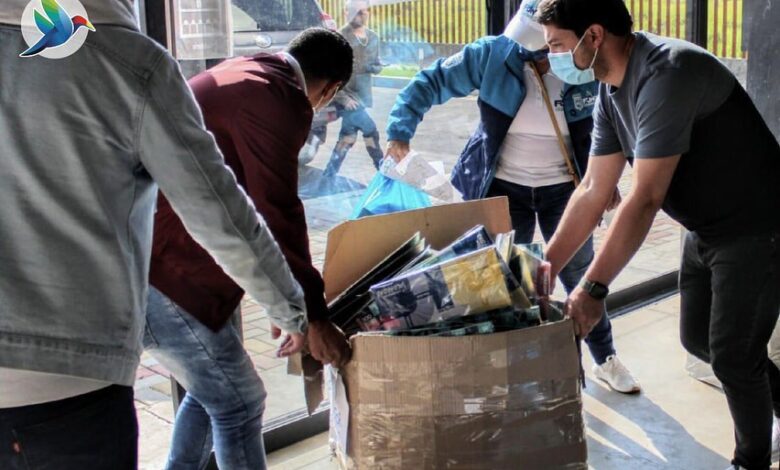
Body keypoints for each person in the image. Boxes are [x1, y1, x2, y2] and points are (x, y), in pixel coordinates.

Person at [0, 0, 309, 468]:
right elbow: (219, 213)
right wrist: (289, 309)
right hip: (64, 384)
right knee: (237, 400)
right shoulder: (126, 63)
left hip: (66, 377)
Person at [535, 0, 780, 468]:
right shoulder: (611, 92)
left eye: (557, 45)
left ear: (593, 35)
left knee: (733, 356)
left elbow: (644, 197)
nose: (553, 59)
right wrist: (546, 268)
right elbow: (592, 190)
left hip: (756, 228)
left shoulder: (668, 72)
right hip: (706, 228)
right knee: (700, 342)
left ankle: (749, 461)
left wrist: (594, 289)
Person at [384, 0, 639, 394]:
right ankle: (513, 365)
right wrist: (399, 130)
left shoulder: (583, 64)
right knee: (508, 276)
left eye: (550, 47)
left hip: (564, 190)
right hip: (502, 187)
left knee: (579, 271)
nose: (541, 56)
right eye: (534, 49)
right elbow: (430, 81)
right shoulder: (493, 54)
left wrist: (605, 180)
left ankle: (604, 356)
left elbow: (611, 123)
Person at [145, 28, 354, 469]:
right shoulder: (279, 101)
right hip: (170, 272)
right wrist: (312, 314)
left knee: (214, 391)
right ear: (331, 88)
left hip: (181, 259)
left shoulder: (248, 70)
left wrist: (283, 301)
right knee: (240, 402)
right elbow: (278, 212)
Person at [321, 0, 384, 177]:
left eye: (364, 11)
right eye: (356, 12)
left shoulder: (373, 37)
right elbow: (330, 74)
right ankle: (385, 175)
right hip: (347, 98)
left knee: (347, 138)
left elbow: (375, 63)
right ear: (346, 13)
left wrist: (377, 67)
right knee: (371, 131)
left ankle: (328, 176)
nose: (361, 15)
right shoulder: (339, 39)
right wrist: (344, 98)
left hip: (363, 97)